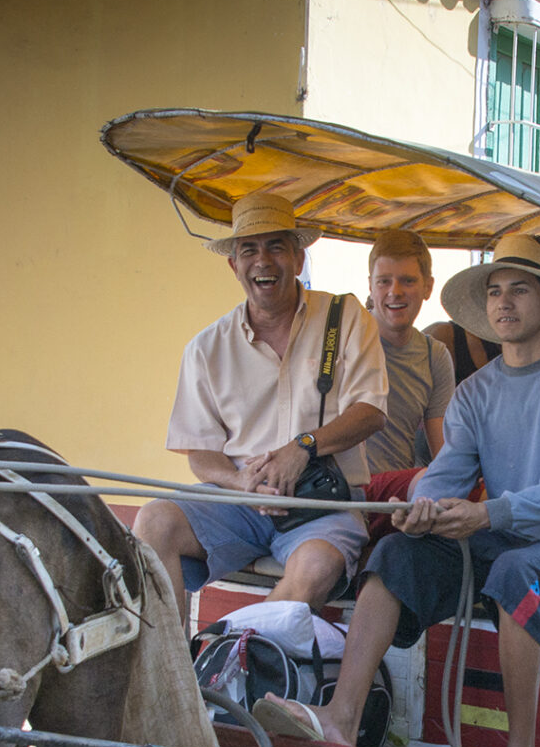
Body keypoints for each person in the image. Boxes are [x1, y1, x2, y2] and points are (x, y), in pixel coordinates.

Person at [251, 237, 540, 747]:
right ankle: (340, 719)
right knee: (399, 551)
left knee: (514, 571)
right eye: (495, 291)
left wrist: (487, 513)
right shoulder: (477, 390)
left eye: (520, 289)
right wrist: (419, 506)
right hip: (504, 533)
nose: (504, 302)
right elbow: (446, 470)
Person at [137, 192, 389, 609]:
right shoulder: (205, 348)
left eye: (276, 246)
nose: (263, 261)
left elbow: (371, 412)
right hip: (240, 505)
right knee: (153, 520)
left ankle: (234, 656)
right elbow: (201, 452)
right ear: (233, 264)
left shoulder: (344, 317)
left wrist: (302, 448)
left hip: (321, 506)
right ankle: (175, 670)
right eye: (249, 250)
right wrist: (241, 484)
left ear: (299, 258)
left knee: (313, 569)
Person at [357, 236, 454, 479]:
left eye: (407, 281)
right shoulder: (345, 339)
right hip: (342, 492)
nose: (395, 292)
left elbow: (442, 450)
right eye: (384, 282)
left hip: (398, 496)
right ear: (371, 285)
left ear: (428, 287)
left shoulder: (435, 356)